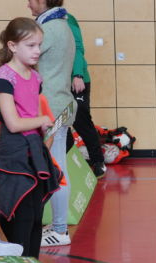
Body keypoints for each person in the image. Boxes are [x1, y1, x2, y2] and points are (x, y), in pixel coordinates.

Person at [0, 17, 60, 263]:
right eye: (30, 45)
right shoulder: (3, 78)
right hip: (13, 158)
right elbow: (13, 123)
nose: (36, 51)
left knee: (34, 221)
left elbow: (33, 120)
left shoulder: (36, 77)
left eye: (39, 45)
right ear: (12, 45)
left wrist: (47, 130)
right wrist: (43, 119)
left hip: (34, 154)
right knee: (19, 220)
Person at [28, 0, 76, 247]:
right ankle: (57, 226)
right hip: (60, 105)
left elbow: (24, 56)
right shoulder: (61, 24)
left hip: (53, 108)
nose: (28, 4)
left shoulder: (49, 28)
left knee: (57, 167)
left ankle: (59, 230)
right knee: (57, 164)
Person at [66, 11, 106, 178]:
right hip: (57, 82)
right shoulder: (42, 21)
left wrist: (78, 74)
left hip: (77, 81)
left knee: (81, 122)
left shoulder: (67, 19)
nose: (28, 4)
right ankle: (66, 162)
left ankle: (98, 162)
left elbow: (77, 48)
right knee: (59, 125)